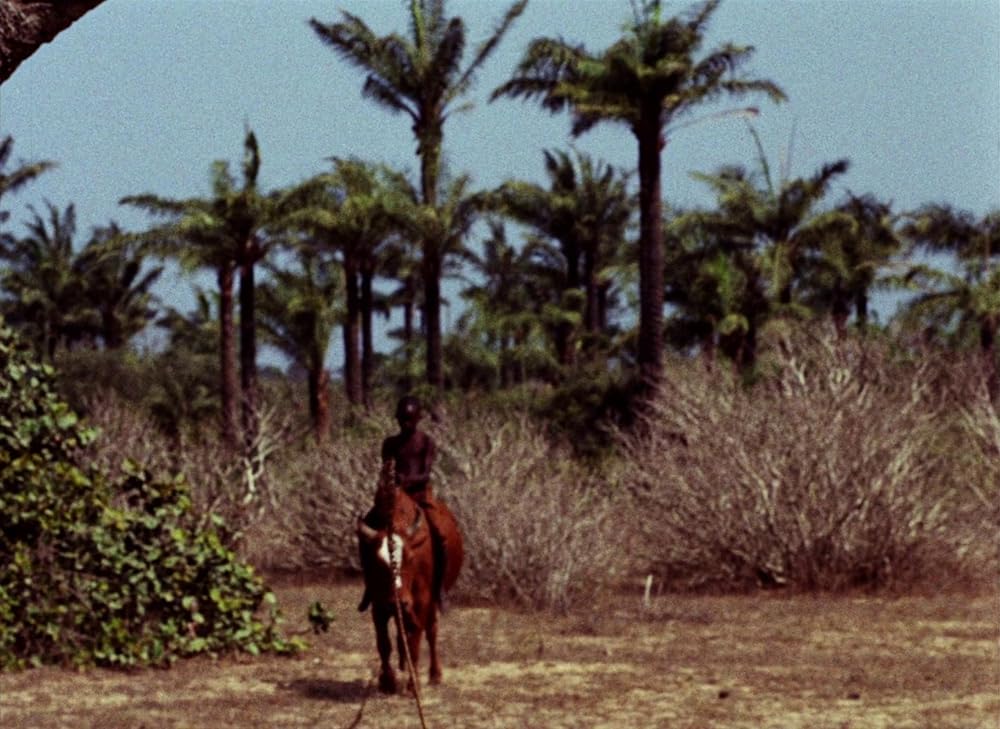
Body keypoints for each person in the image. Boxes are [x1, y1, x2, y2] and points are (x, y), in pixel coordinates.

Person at [358, 395, 450, 613]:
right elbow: (385, 470)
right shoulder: (390, 443)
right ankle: (370, 586)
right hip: (394, 500)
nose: (405, 423)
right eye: (402, 419)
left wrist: (406, 480)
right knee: (367, 532)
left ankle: (439, 589)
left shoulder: (426, 442)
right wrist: (389, 484)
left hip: (419, 497)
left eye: (409, 419)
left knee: (440, 534)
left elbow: (425, 473)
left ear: (418, 419)